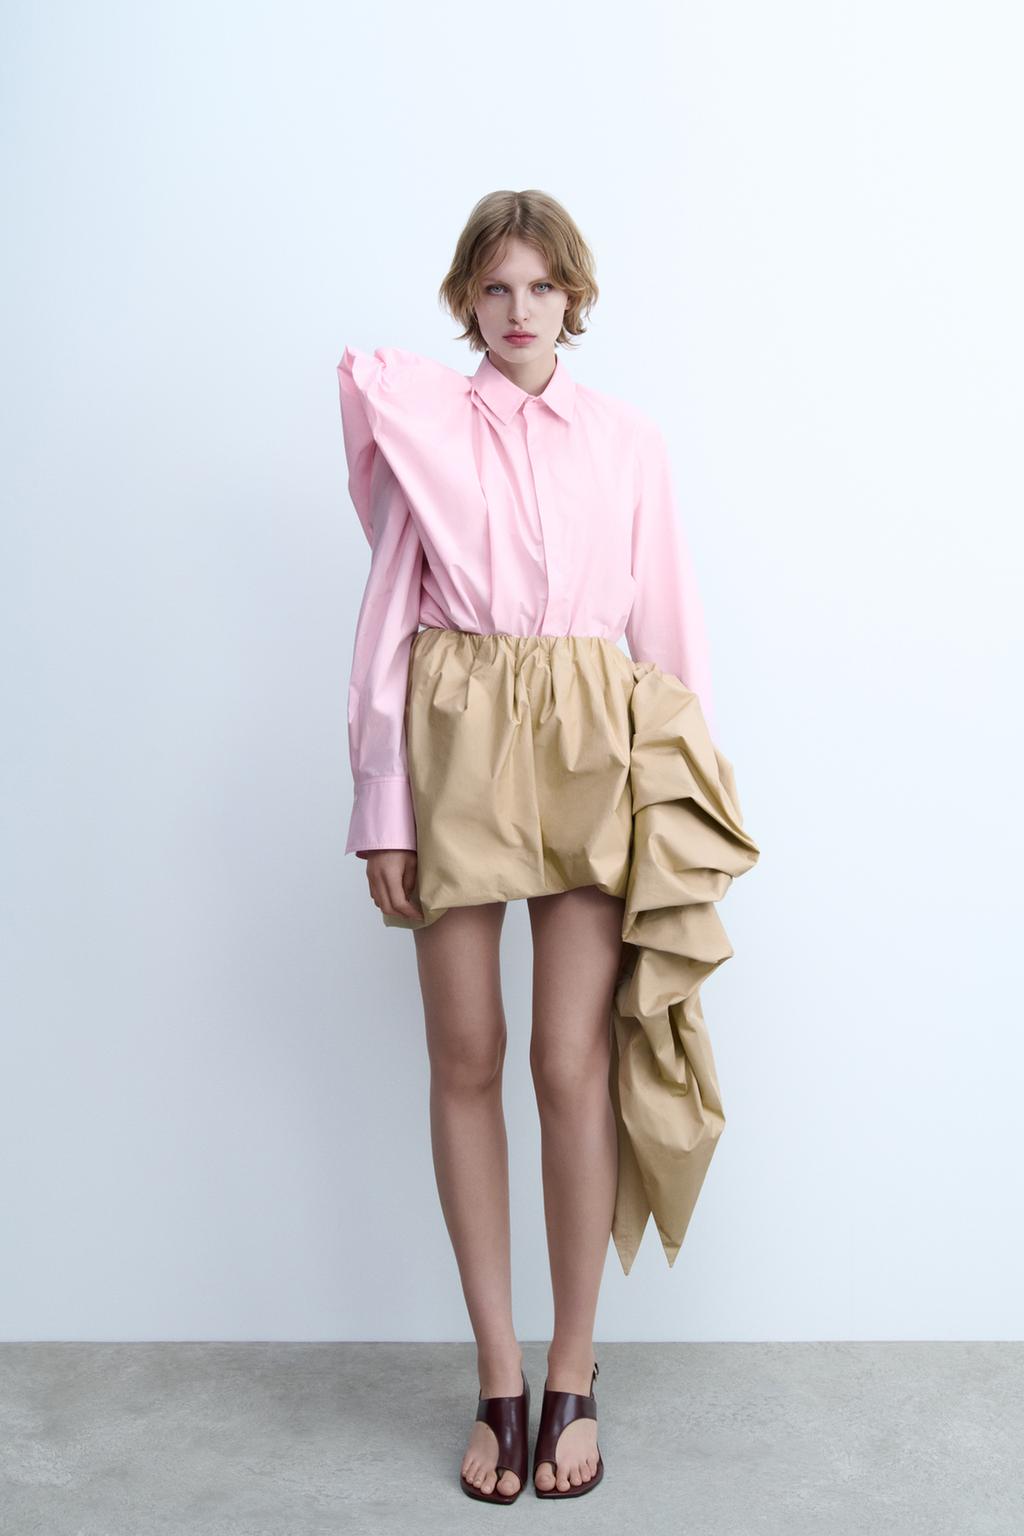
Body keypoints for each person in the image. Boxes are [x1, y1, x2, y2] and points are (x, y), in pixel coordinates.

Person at [337, 189, 759, 1503]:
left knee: (568, 1061)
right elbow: (389, 620)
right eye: (495, 288)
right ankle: (500, 1379)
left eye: (541, 287)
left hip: (589, 741)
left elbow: (667, 631)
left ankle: (575, 1370)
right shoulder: (427, 430)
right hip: (457, 738)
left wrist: (682, 805)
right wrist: (383, 806)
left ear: (575, 296)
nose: (519, 311)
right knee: (464, 1054)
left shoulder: (628, 442)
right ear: (466, 301)